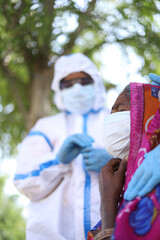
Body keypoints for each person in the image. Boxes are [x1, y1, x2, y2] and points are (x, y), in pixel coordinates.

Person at [13, 53, 112, 240]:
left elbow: (147, 161)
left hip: (113, 233)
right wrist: (58, 160)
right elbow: (24, 180)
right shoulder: (45, 127)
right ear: (59, 89)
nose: (76, 88)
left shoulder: (116, 121)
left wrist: (116, 162)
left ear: (95, 82)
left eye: (84, 81)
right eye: (68, 84)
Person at [89, 80, 160, 240]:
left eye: (120, 110)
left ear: (149, 113)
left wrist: (107, 204)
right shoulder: (125, 196)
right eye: (110, 114)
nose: (110, 121)